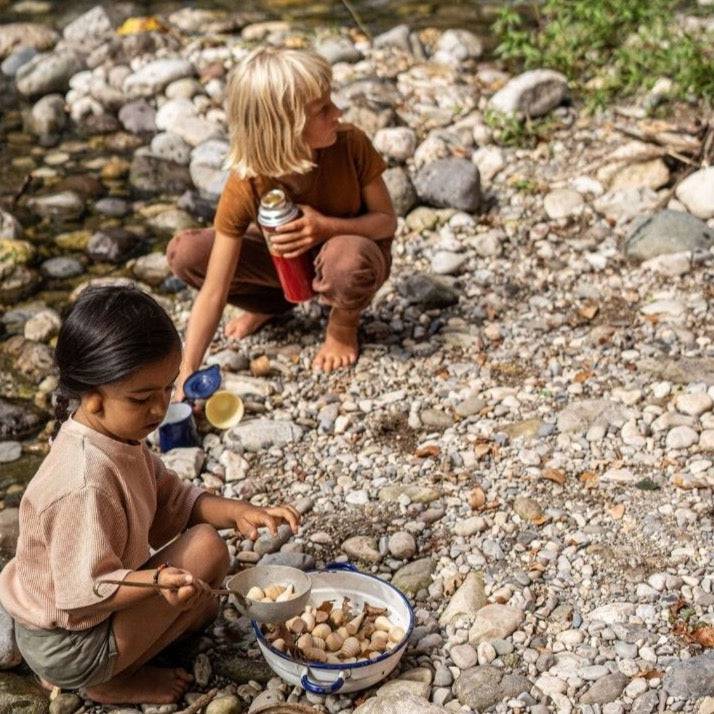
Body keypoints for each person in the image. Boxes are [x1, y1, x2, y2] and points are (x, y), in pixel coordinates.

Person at [0, 286, 299, 705]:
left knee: (208, 560)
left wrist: (240, 513)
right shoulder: (84, 481)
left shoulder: (118, 435)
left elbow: (171, 500)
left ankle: (134, 647)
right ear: (93, 399)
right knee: (200, 562)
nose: (161, 409)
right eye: (142, 398)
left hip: (91, 607)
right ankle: (105, 682)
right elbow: (82, 595)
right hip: (68, 639)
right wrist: (157, 581)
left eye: (167, 389)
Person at [167, 46, 397, 399]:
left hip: (351, 254)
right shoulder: (248, 180)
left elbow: (386, 222)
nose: (338, 113)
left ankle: (342, 323)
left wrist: (326, 227)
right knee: (187, 253)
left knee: (347, 263)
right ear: (284, 128)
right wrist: (186, 371)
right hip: (287, 265)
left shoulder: (350, 145)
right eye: (323, 109)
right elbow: (215, 288)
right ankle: (271, 306)